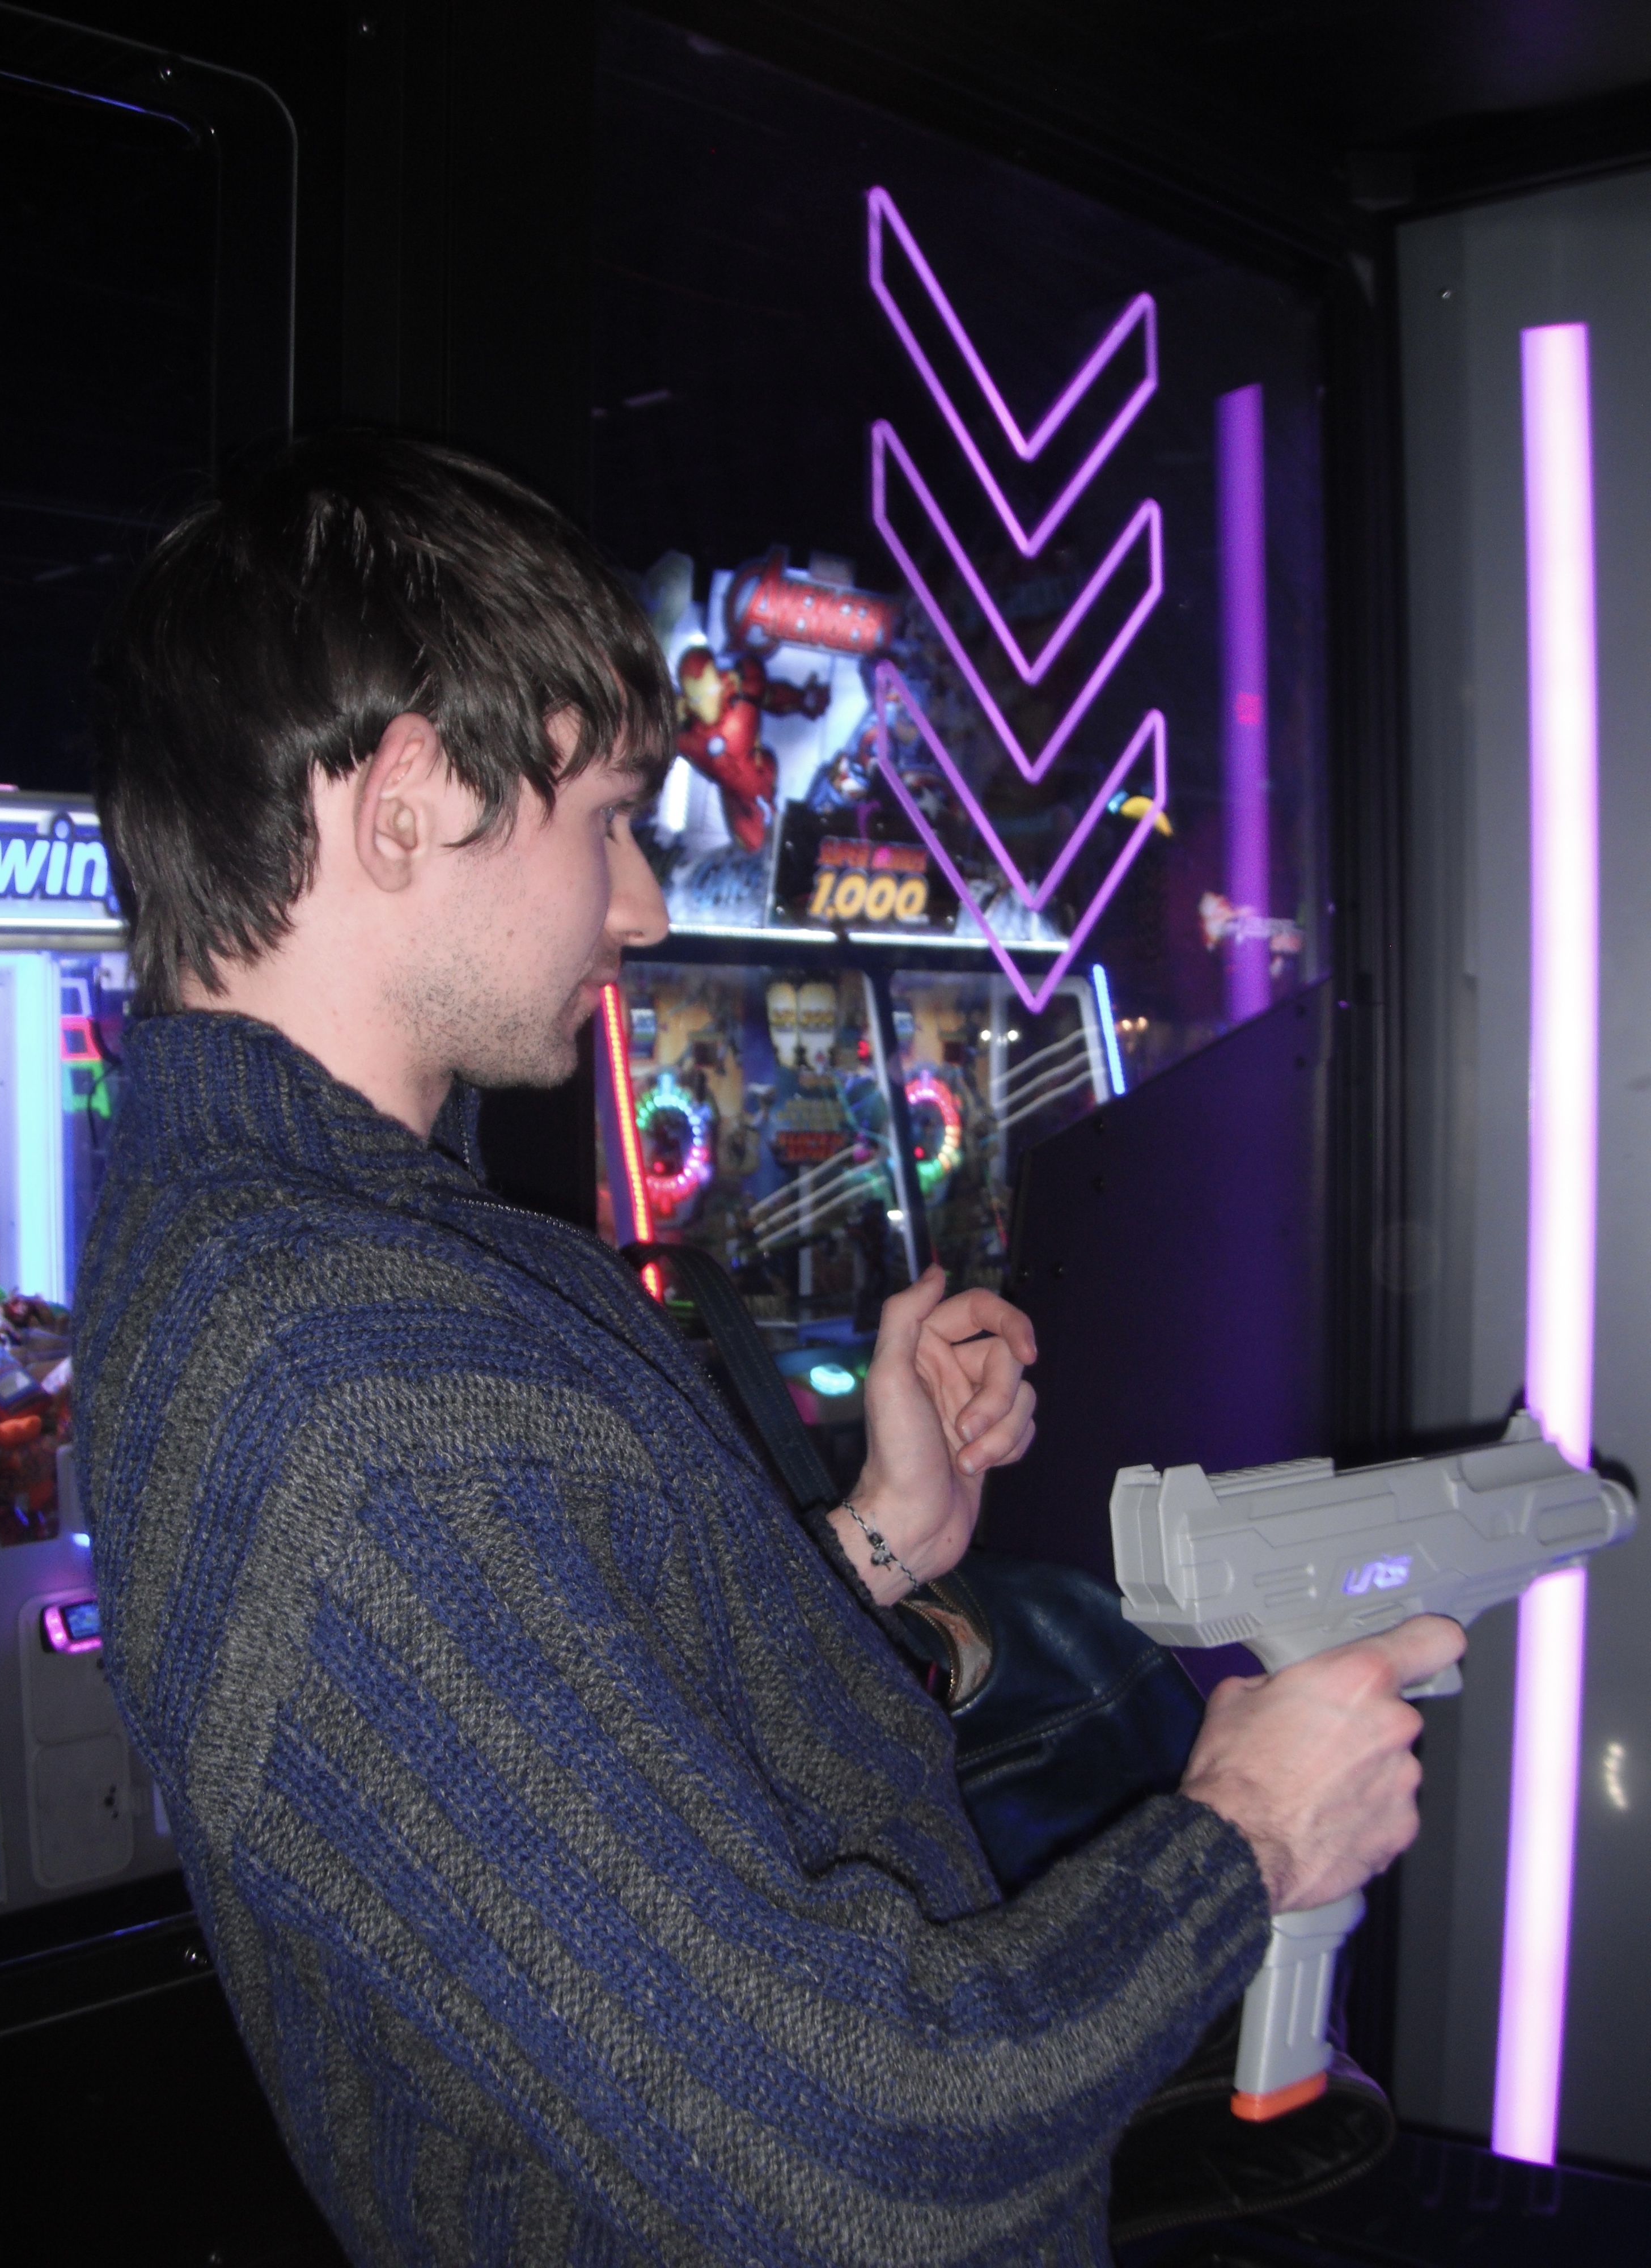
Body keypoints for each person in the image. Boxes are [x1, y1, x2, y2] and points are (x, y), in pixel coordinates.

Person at [77, 433, 1462, 2268]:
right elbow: (852, 2157)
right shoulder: (355, 1377)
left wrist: (874, 1541)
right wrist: (1247, 1843)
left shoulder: (343, 1274)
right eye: (609, 823)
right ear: (404, 801)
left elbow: (580, 1722)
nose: (642, 904)